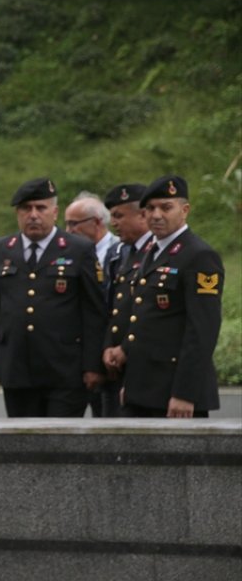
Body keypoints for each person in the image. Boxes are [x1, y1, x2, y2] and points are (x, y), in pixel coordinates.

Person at [0, 178, 106, 417]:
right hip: (16, 367)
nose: (33, 215)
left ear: (54, 212)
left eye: (41, 208)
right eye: (26, 209)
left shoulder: (79, 250)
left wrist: (93, 365)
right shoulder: (0, 250)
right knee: (22, 445)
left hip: (65, 369)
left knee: (59, 444)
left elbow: (94, 311)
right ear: (17, 213)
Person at [103, 176, 224, 417]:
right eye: (150, 208)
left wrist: (185, 393)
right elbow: (144, 320)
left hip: (174, 392)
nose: (156, 215)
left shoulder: (198, 255)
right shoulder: (152, 251)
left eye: (166, 207)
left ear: (185, 210)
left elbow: (201, 331)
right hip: (144, 387)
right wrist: (132, 384)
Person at [65, 192, 121, 417]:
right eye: (66, 223)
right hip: (76, 356)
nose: (68, 230)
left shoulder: (120, 251)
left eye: (73, 224)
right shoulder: (68, 252)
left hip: (111, 355)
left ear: (97, 222)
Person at [97, 183, 151, 416]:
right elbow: (114, 307)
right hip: (118, 364)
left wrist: (125, 348)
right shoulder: (122, 252)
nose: (113, 223)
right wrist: (109, 345)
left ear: (142, 215)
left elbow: (149, 312)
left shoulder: (155, 252)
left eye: (119, 216)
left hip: (145, 360)